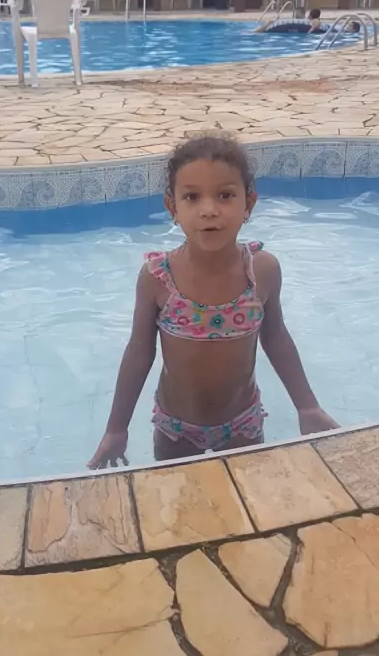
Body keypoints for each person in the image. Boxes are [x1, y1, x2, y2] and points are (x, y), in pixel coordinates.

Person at [88, 134, 338, 469]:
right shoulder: (157, 278)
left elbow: (276, 337)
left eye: (225, 195)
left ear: (249, 204)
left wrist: (307, 406)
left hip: (242, 425)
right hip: (176, 429)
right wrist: (116, 428)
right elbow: (139, 352)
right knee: (179, 496)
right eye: (192, 197)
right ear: (173, 208)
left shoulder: (262, 272)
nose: (209, 210)